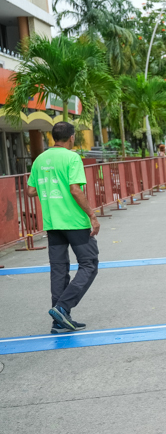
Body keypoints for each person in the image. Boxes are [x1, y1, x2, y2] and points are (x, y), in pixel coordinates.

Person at [25, 121, 100, 333]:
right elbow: (75, 190)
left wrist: (49, 187)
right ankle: (62, 307)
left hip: (52, 222)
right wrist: (92, 215)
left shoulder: (40, 159)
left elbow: (30, 191)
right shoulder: (72, 157)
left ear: (53, 137)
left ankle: (59, 320)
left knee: (59, 270)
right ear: (72, 137)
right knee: (89, 264)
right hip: (74, 221)